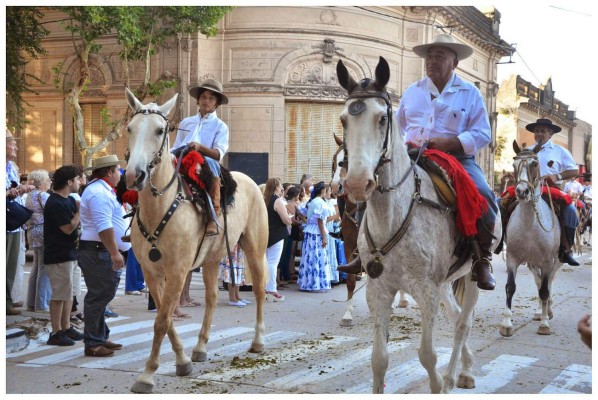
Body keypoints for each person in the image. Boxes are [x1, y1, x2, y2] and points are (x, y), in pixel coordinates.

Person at [340, 34, 498, 291]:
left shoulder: (470, 93)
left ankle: (482, 257)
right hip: (413, 156)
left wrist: (452, 142)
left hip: (456, 158)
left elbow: (482, 133)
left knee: (483, 194)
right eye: (429, 57)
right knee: (374, 187)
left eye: (440, 57)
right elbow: (396, 129)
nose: (432, 62)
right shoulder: (413, 92)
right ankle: (362, 251)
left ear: (454, 63)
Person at [78, 155, 130, 357]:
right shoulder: (99, 193)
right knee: (98, 297)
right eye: (118, 170)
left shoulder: (102, 190)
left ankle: (99, 336)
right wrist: (115, 253)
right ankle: (93, 343)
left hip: (99, 250)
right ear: (109, 172)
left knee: (102, 296)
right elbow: (104, 226)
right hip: (98, 250)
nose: (120, 174)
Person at [171, 78, 229, 236]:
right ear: (198, 100)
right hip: (182, 157)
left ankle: (213, 215)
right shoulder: (186, 122)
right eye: (204, 97)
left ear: (216, 103)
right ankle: (139, 213)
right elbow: (176, 146)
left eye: (211, 98)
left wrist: (200, 147)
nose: (206, 101)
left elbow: (218, 154)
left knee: (211, 164)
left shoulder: (220, 126)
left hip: (205, 162)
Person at [526, 118, 580, 266]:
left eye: (543, 131)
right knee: (503, 203)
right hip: (528, 189)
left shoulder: (560, 151)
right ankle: (501, 242)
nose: (539, 134)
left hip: (551, 190)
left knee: (570, 211)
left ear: (550, 134)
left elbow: (574, 171)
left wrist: (557, 176)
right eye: (537, 131)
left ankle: (566, 249)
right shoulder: (527, 151)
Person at [43, 164, 85, 346]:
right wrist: (79, 214)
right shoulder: (55, 203)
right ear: (69, 181)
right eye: (77, 179)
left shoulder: (67, 200)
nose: (79, 182)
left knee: (69, 294)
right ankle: (56, 332)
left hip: (70, 254)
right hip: (58, 255)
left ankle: (66, 327)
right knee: (59, 295)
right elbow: (67, 229)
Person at [6, 129, 35, 315]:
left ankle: (7, 302)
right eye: (11, 142)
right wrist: (10, 193)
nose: (16, 146)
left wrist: (20, 190)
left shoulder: (12, 168)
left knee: (10, 266)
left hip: (14, 224)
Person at [297, 181, 333, 292]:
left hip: (309, 232)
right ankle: (317, 284)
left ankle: (307, 283)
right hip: (317, 234)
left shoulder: (311, 202)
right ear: (323, 190)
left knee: (309, 257)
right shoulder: (321, 203)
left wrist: (306, 222)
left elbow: (300, 211)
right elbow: (321, 222)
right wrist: (324, 237)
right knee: (318, 256)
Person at [25, 169, 52, 312]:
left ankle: (31, 302)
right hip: (42, 232)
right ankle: (41, 304)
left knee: (36, 267)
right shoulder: (43, 195)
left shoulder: (29, 195)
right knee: (43, 268)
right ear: (41, 182)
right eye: (47, 179)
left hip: (32, 232)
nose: (50, 181)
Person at [264, 177, 292, 301]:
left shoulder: (265, 199)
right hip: (277, 235)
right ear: (276, 187)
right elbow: (286, 220)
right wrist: (290, 219)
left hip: (266, 235)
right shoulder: (277, 201)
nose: (282, 188)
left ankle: (265, 288)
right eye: (281, 186)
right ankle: (271, 290)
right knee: (273, 263)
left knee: (266, 262)